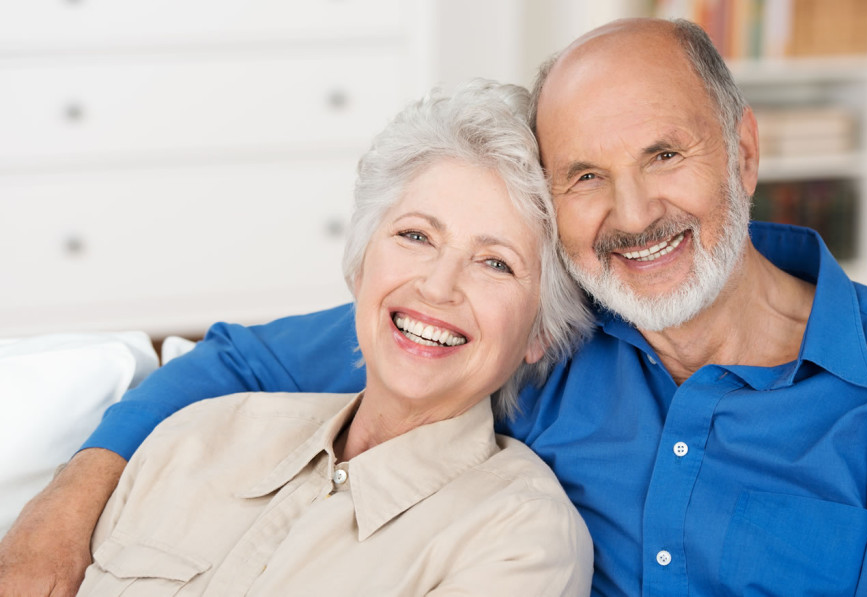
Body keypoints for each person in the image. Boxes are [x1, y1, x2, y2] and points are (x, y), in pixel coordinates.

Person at [2, 17, 867, 597]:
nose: (633, 214)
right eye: (584, 175)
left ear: (745, 152)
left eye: (664, 155)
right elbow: (235, 361)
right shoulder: (538, 338)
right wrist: (55, 515)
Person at [75, 80, 594, 595]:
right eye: (416, 236)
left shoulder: (518, 539)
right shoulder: (192, 439)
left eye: (495, 263)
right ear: (360, 267)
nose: (437, 287)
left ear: (540, 332)